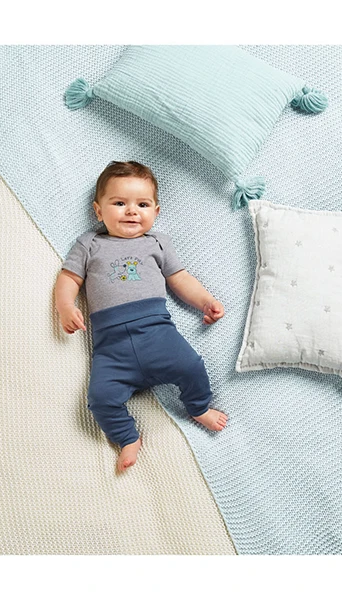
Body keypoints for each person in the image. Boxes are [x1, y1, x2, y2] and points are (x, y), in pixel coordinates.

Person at [55, 161, 228, 473]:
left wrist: (205, 301)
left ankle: (198, 407)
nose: (132, 211)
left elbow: (180, 278)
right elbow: (69, 278)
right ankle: (127, 437)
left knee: (192, 366)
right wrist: (66, 306)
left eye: (142, 205)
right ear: (98, 211)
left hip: (158, 335)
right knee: (100, 398)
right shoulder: (89, 244)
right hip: (112, 349)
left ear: (156, 212)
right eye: (119, 203)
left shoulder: (157, 243)